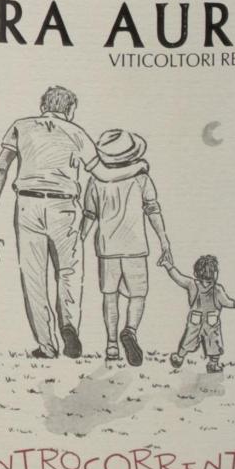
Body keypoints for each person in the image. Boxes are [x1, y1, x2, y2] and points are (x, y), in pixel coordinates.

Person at [0, 86, 94, 359]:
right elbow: (97, 172)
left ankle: (46, 345)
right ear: (70, 110)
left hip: (28, 204)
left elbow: (2, 167)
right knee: (69, 271)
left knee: (33, 276)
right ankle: (69, 325)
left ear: (43, 106)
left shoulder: (21, 127)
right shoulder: (77, 132)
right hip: (65, 206)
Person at [80, 128, 172, 366]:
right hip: (135, 245)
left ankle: (111, 345)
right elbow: (152, 209)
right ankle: (130, 330)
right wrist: (163, 240)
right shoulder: (141, 178)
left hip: (106, 247)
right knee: (138, 294)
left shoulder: (95, 180)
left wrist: (79, 239)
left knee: (109, 296)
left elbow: (89, 215)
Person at [162, 250, 235, 373]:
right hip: (210, 322)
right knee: (209, 341)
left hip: (199, 321)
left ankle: (181, 357)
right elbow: (227, 302)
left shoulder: (194, 285)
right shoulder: (214, 289)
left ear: (196, 273)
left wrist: (168, 265)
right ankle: (211, 363)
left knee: (196, 339)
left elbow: (178, 278)